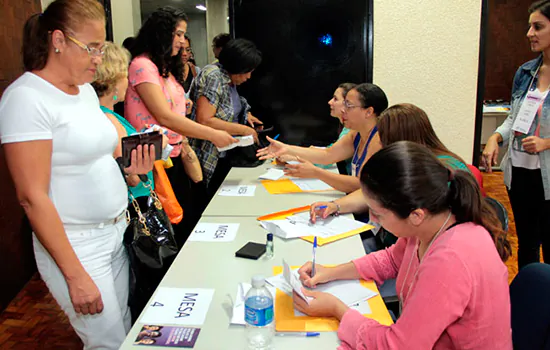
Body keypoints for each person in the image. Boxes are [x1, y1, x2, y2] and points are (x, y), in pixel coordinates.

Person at [0, 0, 155, 348]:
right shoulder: (27, 99)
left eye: (101, 47)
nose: (99, 59)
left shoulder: (84, 91)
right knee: (107, 341)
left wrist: (131, 170)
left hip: (115, 233)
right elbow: (31, 196)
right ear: (58, 40)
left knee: (125, 331)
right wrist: (75, 275)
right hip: (77, 245)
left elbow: (94, 155)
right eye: (92, 48)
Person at [293, 142, 512, 350]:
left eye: (378, 214)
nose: (373, 219)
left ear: (415, 215)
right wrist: (330, 272)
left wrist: (337, 309)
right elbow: (389, 260)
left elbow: (398, 346)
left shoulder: (451, 259)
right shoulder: (432, 221)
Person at [125, 6, 237, 238]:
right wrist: (211, 133)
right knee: (167, 230)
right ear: (161, 33)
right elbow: (164, 116)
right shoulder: (142, 65)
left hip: (174, 155)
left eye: (183, 35)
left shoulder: (163, 67)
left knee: (186, 220)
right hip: (153, 161)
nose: (182, 41)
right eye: (177, 34)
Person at [482, 0, 550, 269]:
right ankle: (529, 302)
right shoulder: (525, 73)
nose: (529, 33)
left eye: (538, 27)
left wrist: (546, 142)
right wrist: (495, 138)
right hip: (519, 173)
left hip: (547, 176)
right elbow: (514, 118)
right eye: (529, 26)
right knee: (528, 243)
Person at [257, 83, 388, 194]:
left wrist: (316, 172)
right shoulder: (356, 134)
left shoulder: (378, 140)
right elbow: (327, 155)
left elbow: (361, 185)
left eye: (349, 105)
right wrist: (286, 148)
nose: (344, 110)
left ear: (369, 112)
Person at [189, 38, 263, 193]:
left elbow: (227, 108)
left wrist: (246, 115)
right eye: (247, 72)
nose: (248, 77)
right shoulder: (213, 76)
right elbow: (205, 120)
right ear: (237, 65)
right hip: (209, 155)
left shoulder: (229, 79)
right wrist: (244, 130)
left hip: (227, 153)